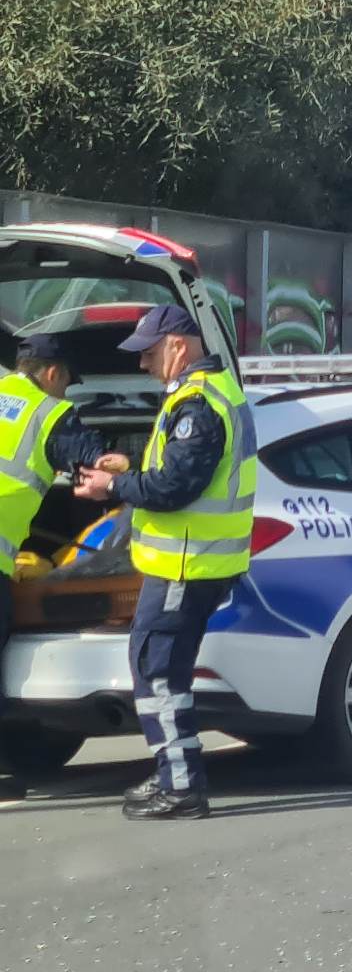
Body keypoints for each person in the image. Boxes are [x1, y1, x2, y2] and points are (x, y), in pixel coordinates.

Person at [74, 305, 255, 821]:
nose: (144, 366)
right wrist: (129, 466)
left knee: (157, 673)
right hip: (191, 563)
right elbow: (179, 470)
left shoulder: (198, 405)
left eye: (150, 354)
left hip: (186, 564)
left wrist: (112, 486)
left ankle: (181, 785)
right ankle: (174, 770)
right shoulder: (211, 393)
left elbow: (175, 488)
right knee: (162, 670)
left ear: (178, 344)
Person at [0, 335, 117, 799]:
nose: (66, 391)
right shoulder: (47, 413)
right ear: (52, 373)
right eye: (67, 381)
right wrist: (120, 468)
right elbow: (86, 453)